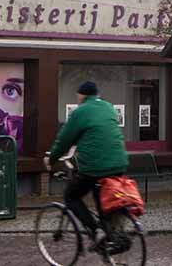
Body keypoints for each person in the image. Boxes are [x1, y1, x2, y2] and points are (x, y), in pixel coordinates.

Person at [44, 82, 128, 248]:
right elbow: (100, 133)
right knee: (102, 199)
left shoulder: (80, 111)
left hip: (95, 166)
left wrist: (51, 159)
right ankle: (111, 237)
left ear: (82, 95)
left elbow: (64, 140)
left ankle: (96, 231)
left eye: (78, 95)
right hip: (119, 163)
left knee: (71, 196)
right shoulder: (108, 107)